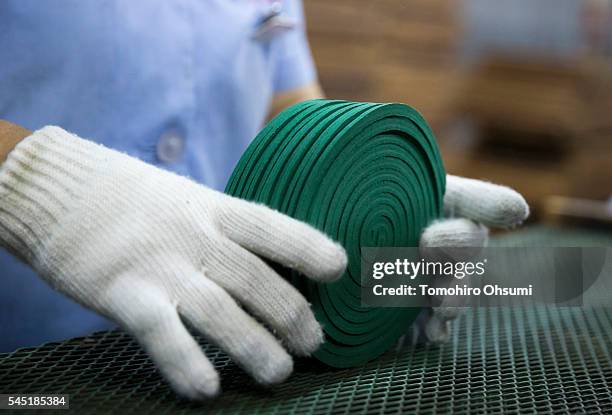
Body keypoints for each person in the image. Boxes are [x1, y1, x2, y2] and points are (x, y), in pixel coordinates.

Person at [0, 0, 528, 400]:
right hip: (27, 366)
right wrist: (32, 182)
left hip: (234, 356)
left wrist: (382, 211)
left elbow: (290, 114)